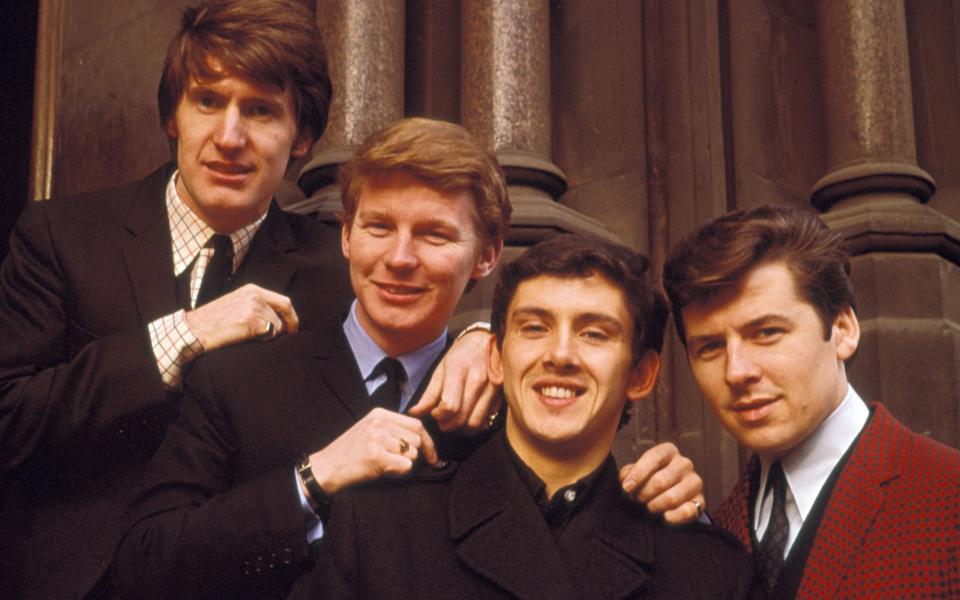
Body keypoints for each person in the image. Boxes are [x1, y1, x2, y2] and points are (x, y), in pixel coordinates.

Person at [111, 119, 705, 599]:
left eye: (434, 235)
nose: (399, 257)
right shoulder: (241, 376)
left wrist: (669, 503)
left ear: (487, 254)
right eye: (377, 227)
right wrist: (310, 482)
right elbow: (143, 564)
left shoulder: (516, 397)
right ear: (345, 237)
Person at [0, 2, 347, 598]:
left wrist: (478, 342)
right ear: (173, 117)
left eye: (261, 110)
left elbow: (407, 369)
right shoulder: (62, 236)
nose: (229, 137)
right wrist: (181, 334)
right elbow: (9, 421)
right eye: (208, 101)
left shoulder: (337, 273)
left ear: (303, 137)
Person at [309, 233, 755, 599]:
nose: (560, 355)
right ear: (496, 358)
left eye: (594, 333)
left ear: (641, 374)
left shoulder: (707, 570)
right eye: (535, 328)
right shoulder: (377, 529)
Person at [662, 205, 960, 598]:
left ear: (842, 330)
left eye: (767, 332)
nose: (736, 371)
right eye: (710, 347)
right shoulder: (717, 528)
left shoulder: (949, 499)